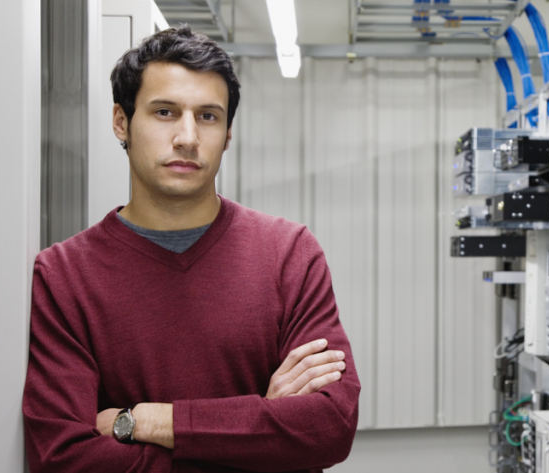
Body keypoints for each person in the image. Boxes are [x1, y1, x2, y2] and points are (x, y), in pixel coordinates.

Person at [22, 25, 359, 473]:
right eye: (164, 112)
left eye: (208, 116)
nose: (187, 137)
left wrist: (148, 420)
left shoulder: (290, 254)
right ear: (122, 121)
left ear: (228, 132)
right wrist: (259, 436)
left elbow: (330, 425)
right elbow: (63, 458)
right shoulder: (64, 274)